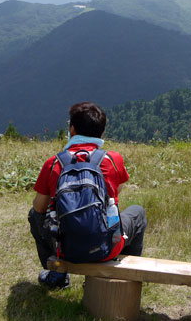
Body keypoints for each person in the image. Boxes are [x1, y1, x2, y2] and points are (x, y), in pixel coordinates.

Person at [28, 101, 147, 289]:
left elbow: (39, 207)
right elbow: (117, 191)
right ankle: (121, 278)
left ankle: (57, 275)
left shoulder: (53, 163)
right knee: (137, 212)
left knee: (33, 215)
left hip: (65, 250)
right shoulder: (113, 159)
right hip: (107, 247)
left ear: (72, 129)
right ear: (101, 134)